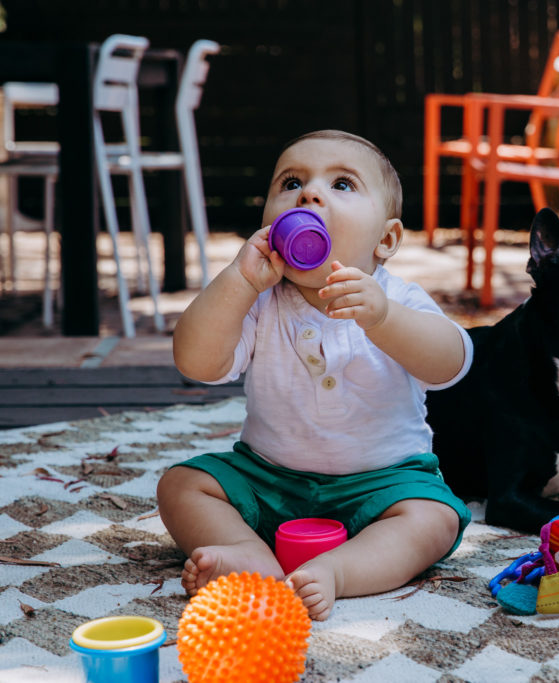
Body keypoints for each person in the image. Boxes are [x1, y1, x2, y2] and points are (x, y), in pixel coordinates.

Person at [157, 130, 473, 621]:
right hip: (268, 478)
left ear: (385, 240)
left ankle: (340, 571)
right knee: (181, 485)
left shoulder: (395, 299)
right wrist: (237, 282)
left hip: (381, 483)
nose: (308, 194)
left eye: (342, 184)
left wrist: (383, 319)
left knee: (435, 517)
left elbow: (450, 364)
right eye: (291, 183)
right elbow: (196, 362)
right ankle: (250, 554)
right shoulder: (259, 301)